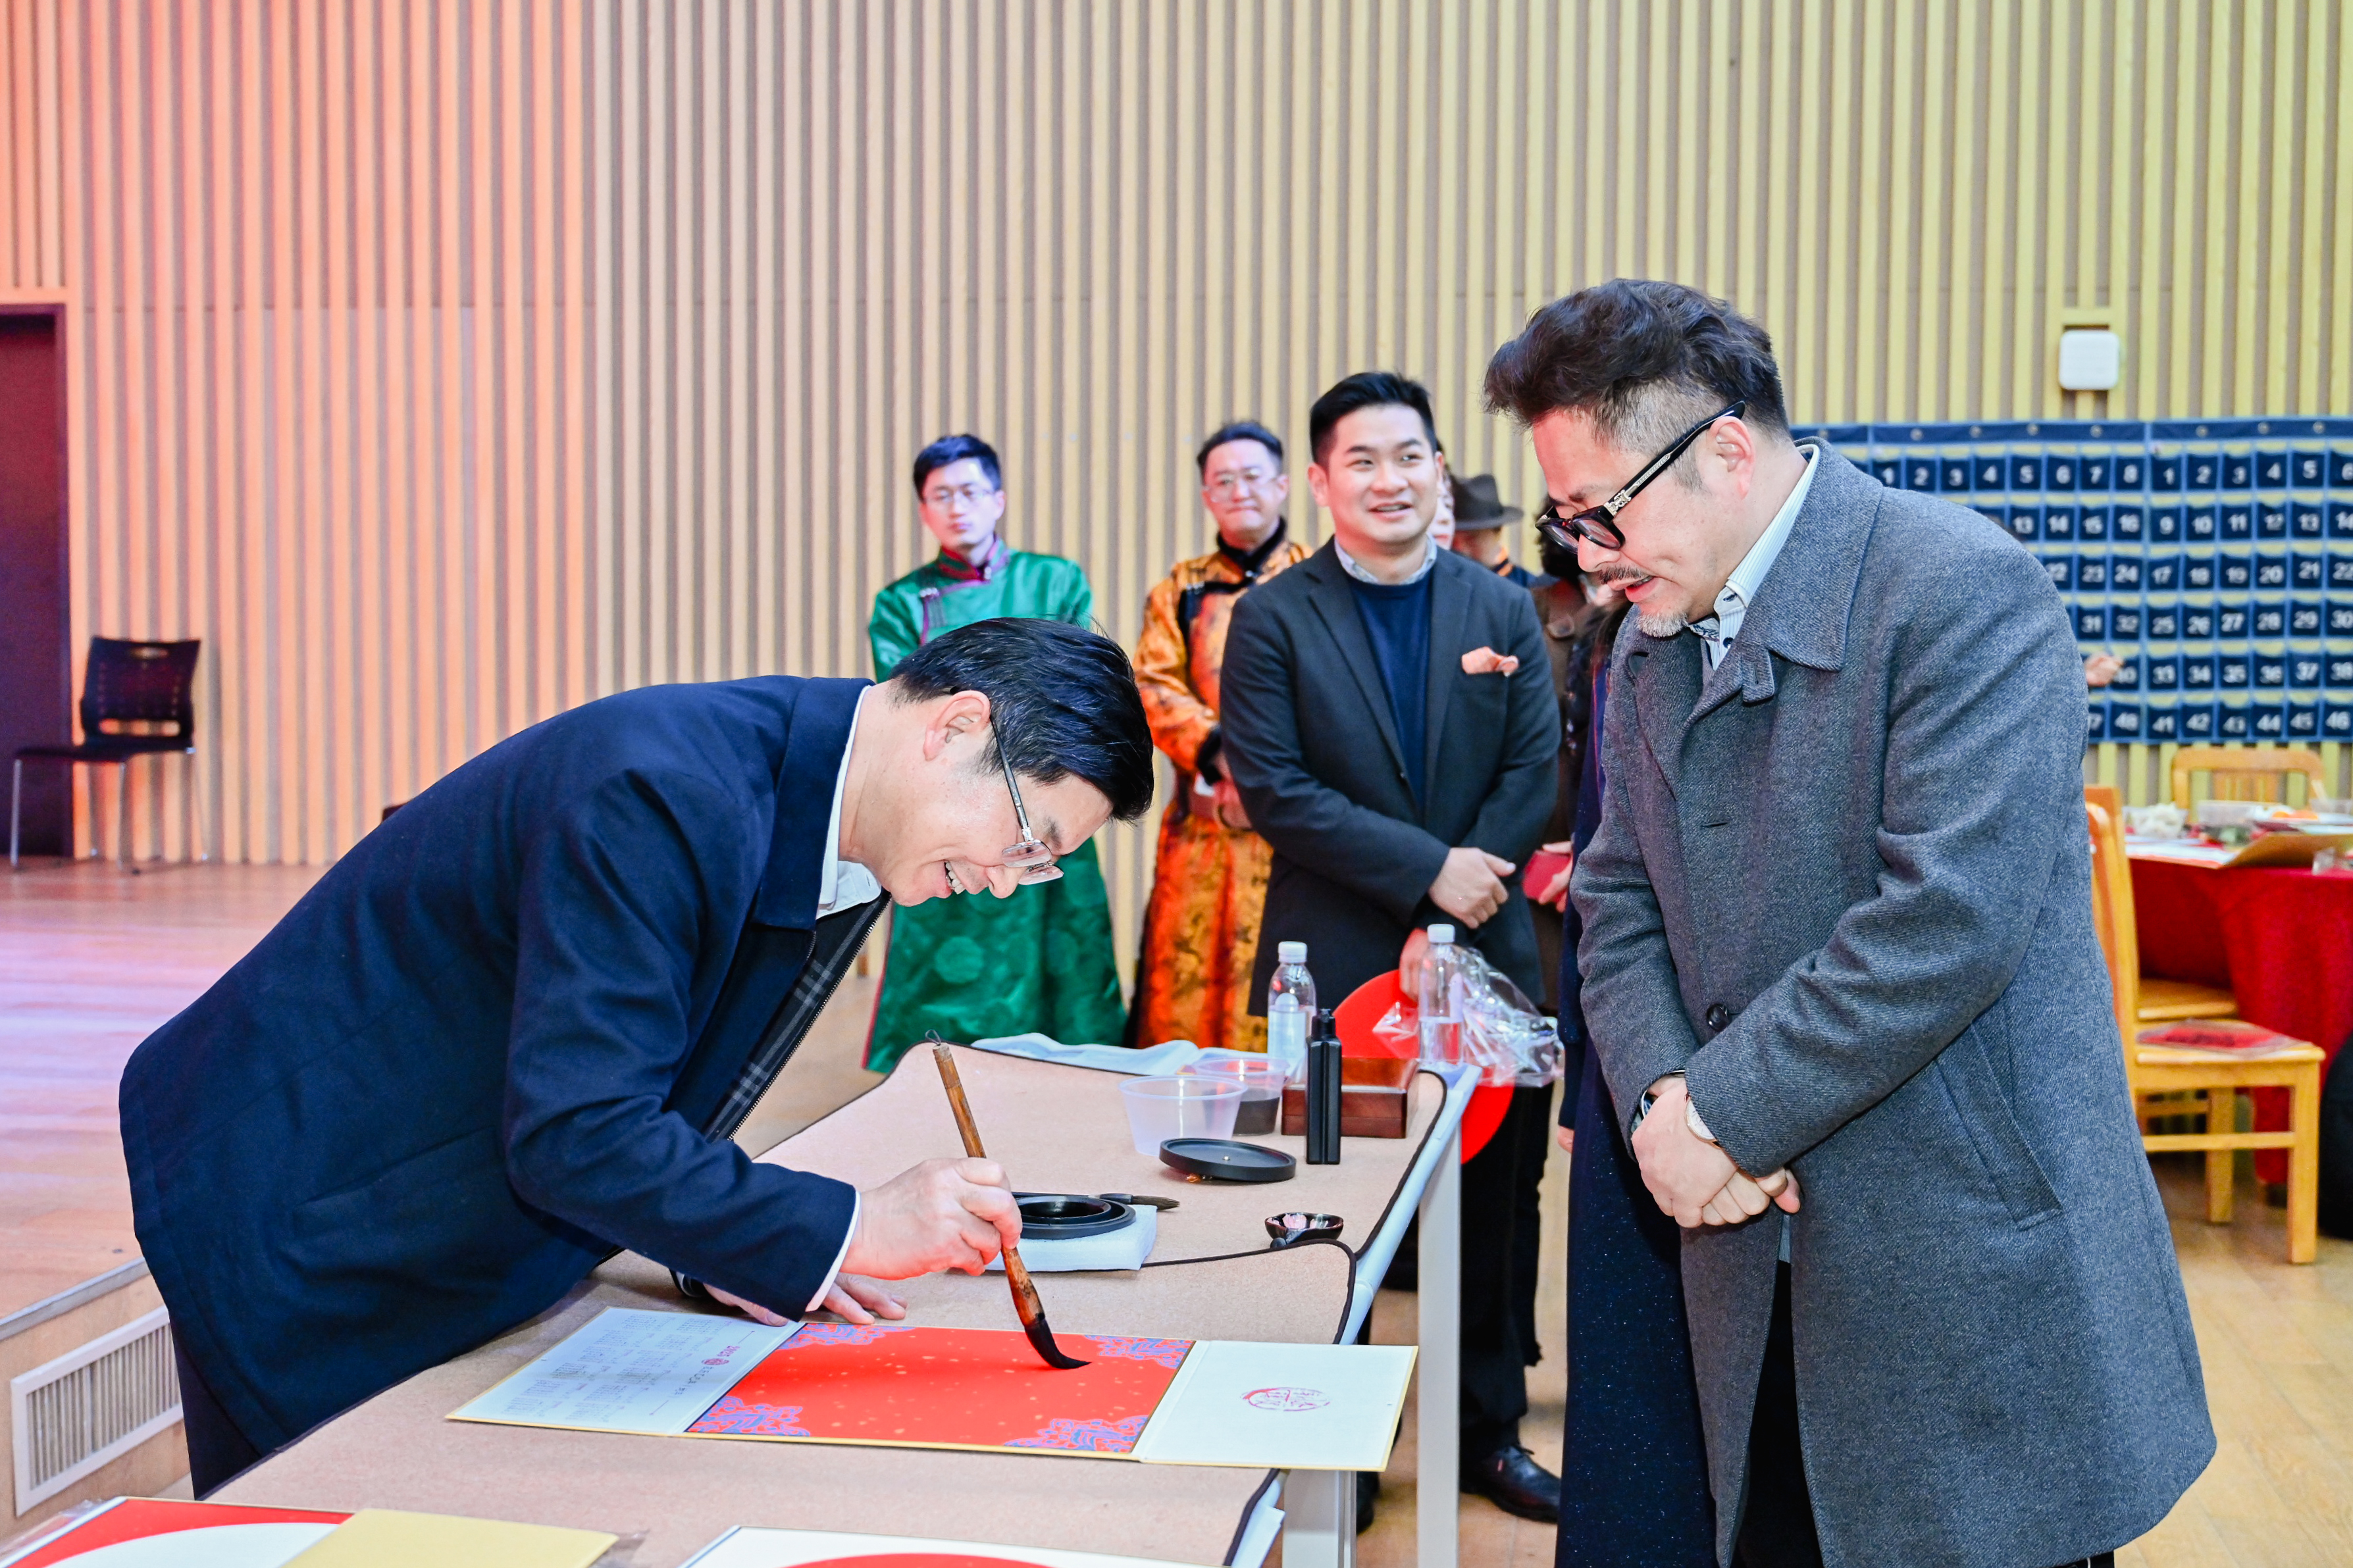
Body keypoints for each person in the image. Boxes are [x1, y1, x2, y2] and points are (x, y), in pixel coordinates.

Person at [1487, 279, 2212, 1568]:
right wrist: (1660, 1101)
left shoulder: (1958, 592)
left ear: (1723, 451)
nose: (1588, 555)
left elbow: (1942, 925)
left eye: (1603, 512)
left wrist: (1716, 1115)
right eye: (1566, 521)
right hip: (1751, 1265)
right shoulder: (1650, 638)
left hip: (1958, 1261)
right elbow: (1615, 895)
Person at [120, 618, 1156, 1496]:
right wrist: (850, 1223)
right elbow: (579, 1131)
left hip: (431, 1182)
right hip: (297, 1191)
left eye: (1043, 865)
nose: (1010, 879)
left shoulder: (854, 825)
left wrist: (745, 1243)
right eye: (1027, 837)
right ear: (956, 725)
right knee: (317, 1518)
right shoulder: (659, 788)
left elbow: (641, 1074)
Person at [1220, 372, 1563, 1521]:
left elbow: (1531, 769)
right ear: (1321, 481)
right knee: (1334, 1200)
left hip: (1485, 948)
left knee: (1496, 1199)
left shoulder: (1499, 609)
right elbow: (1277, 789)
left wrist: (1450, 905)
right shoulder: (1273, 617)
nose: (1389, 479)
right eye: (1361, 460)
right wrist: (1428, 874)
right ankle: (1342, 1446)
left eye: (1409, 455)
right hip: (1332, 957)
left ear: (1438, 469)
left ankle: (1486, 1433)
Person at [867, 436, 1128, 1069]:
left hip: (1049, 796)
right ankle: (942, 1078)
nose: (957, 507)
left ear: (998, 499)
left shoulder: (1055, 579)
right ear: (924, 510)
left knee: (1063, 961)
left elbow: (1081, 687)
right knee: (954, 969)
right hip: (954, 809)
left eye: (970, 491)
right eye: (941, 496)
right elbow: (911, 706)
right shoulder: (901, 602)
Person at [1127, 420, 1312, 1053]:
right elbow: (1151, 686)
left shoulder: (1317, 580)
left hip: (1296, 829)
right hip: (1204, 829)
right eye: (1223, 481)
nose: (1239, 491)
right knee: (1187, 987)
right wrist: (1222, 753)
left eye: (1252, 476)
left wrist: (1267, 764)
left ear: (1282, 485)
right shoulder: (1179, 590)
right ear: (1207, 496)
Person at [1445, 472, 1545, 586]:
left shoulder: (1528, 589)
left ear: (1497, 531)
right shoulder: (1441, 584)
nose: (1460, 549)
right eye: (1453, 540)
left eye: (1471, 539)